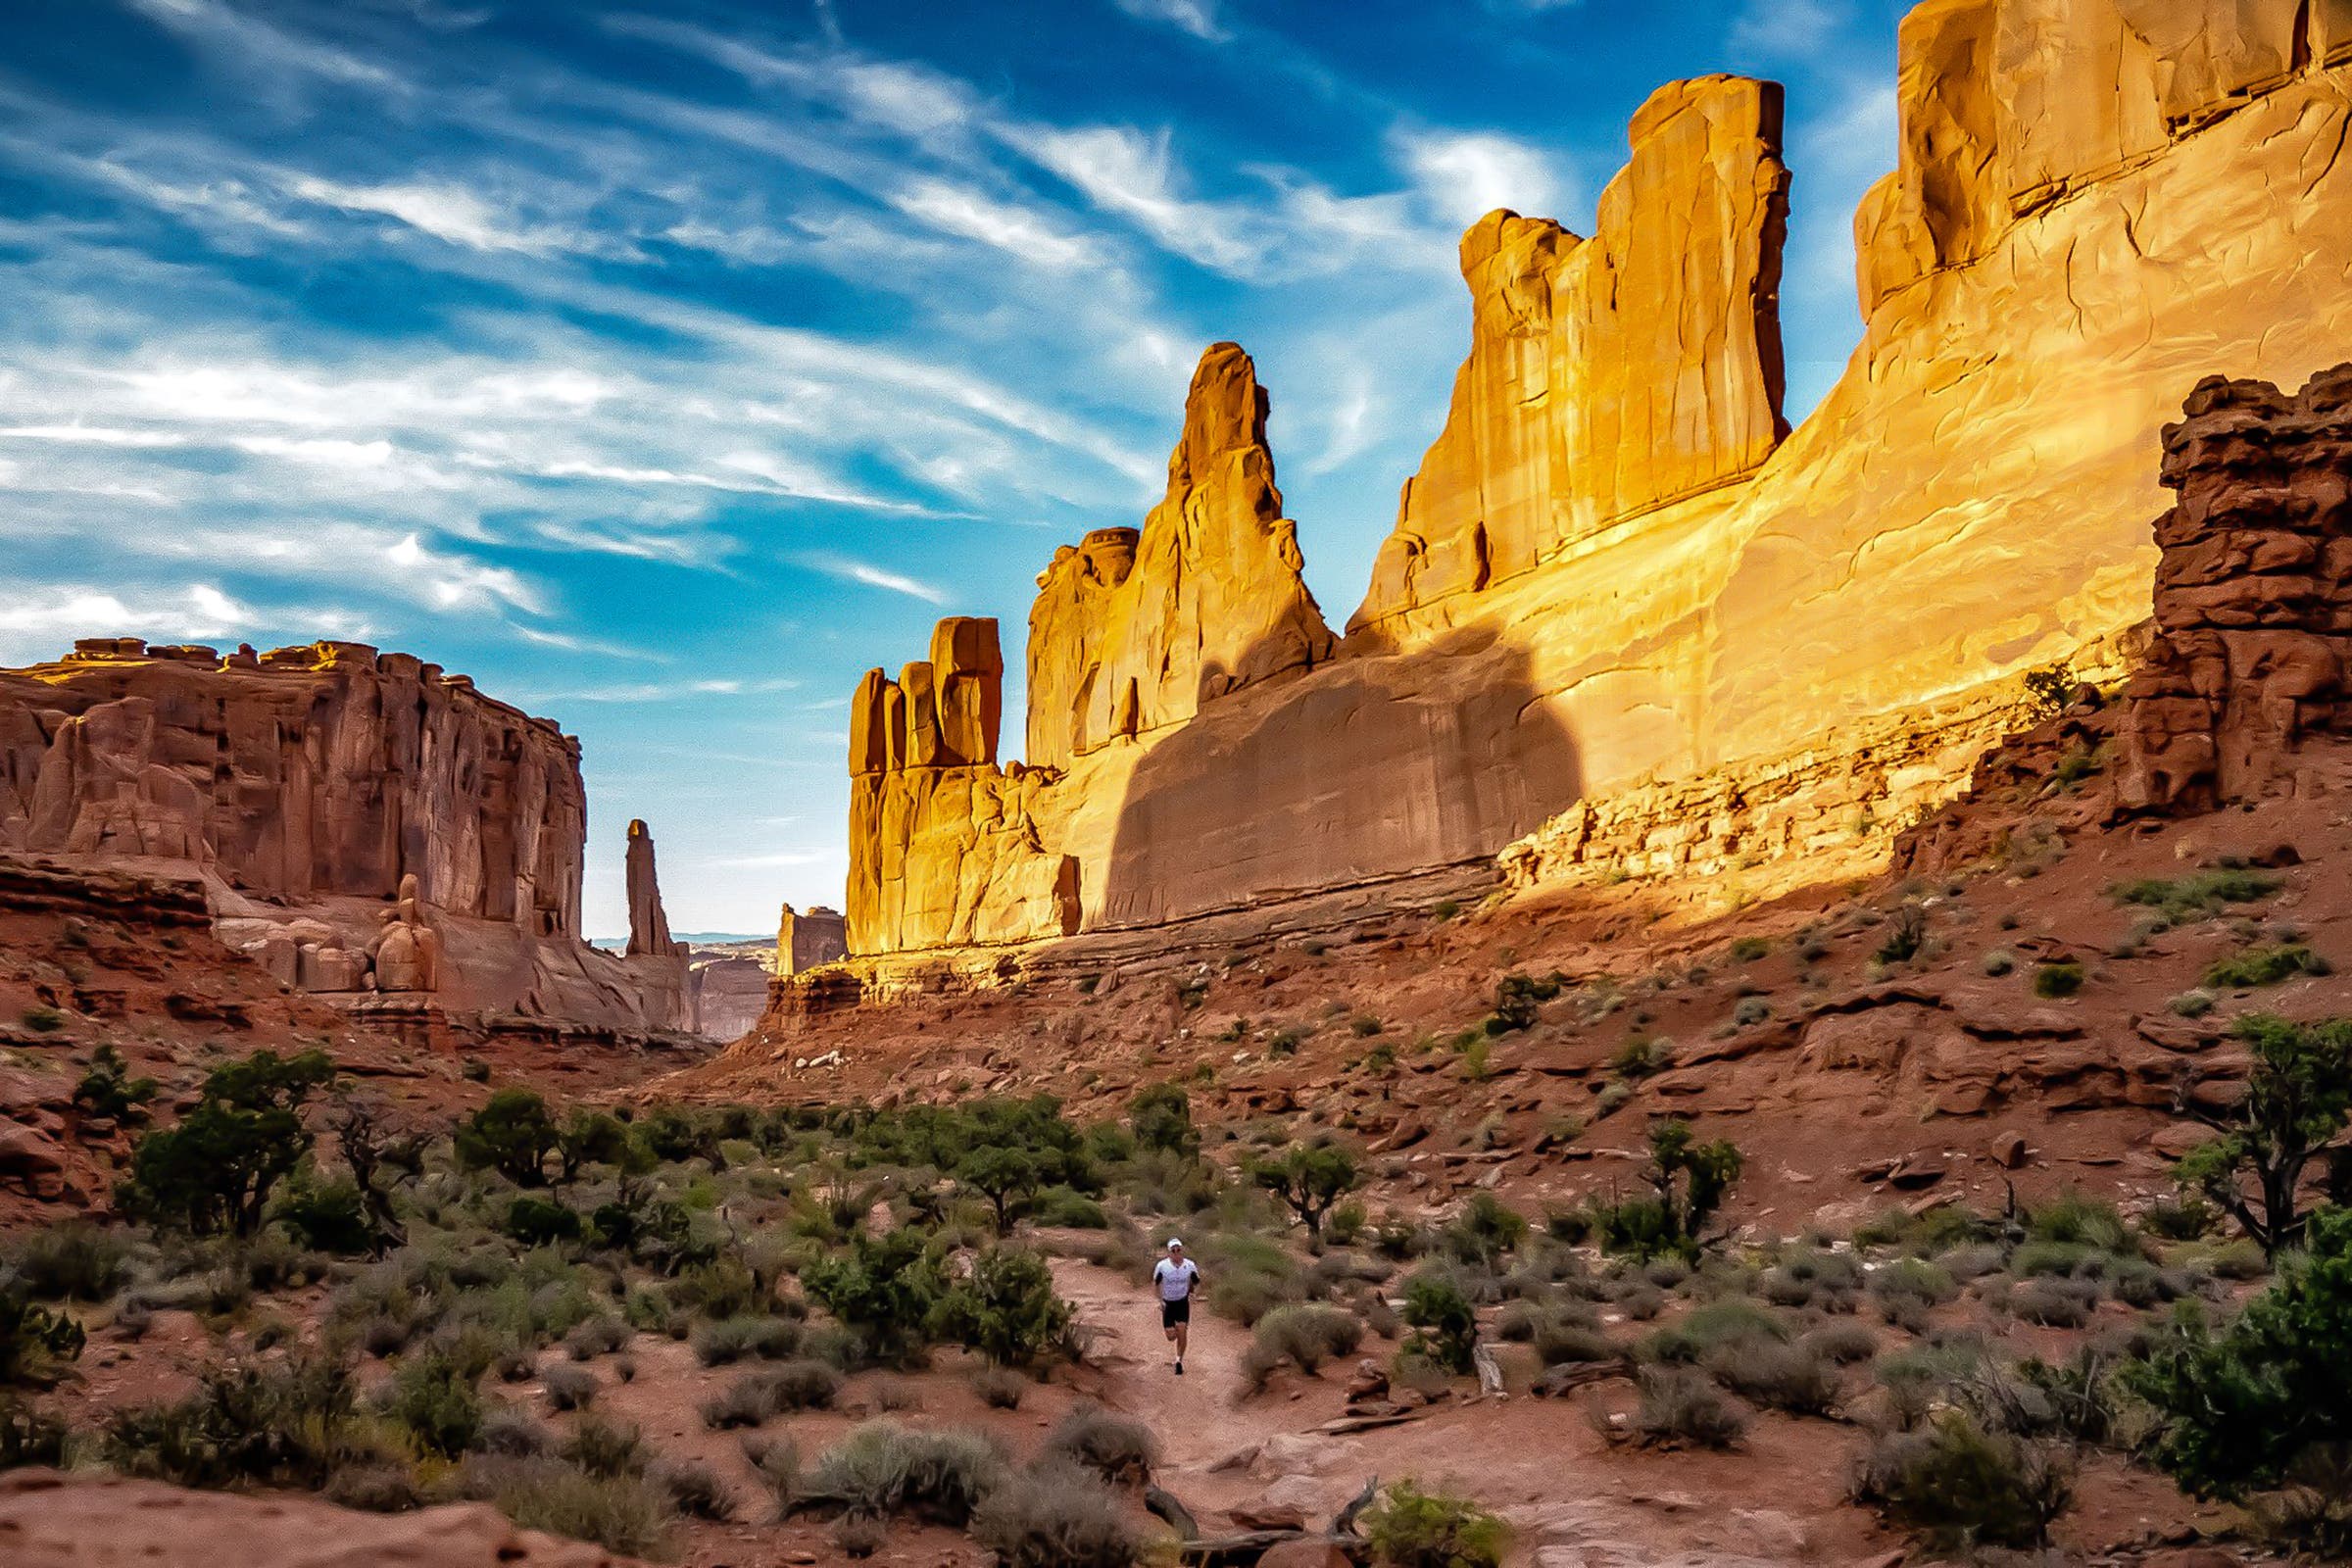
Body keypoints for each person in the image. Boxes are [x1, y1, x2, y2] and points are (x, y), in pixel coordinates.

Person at [1152, 1238, 1201, 1374]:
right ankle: (1174, 1336)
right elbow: (1155, 1283)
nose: (1176, 1252)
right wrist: (1159, 1300)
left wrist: (1194, 1294)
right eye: (1173, 1250)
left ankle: (1179, 1360)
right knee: (1171, 1336)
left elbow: (1197, 1282)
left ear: (1181, 1250)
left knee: (1182, 1331)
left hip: (1182, 1302)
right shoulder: (1162, 1266)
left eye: (1178, 1250)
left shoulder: (1189, 1265)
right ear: (1169, 1253)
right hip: (1168, 1304)